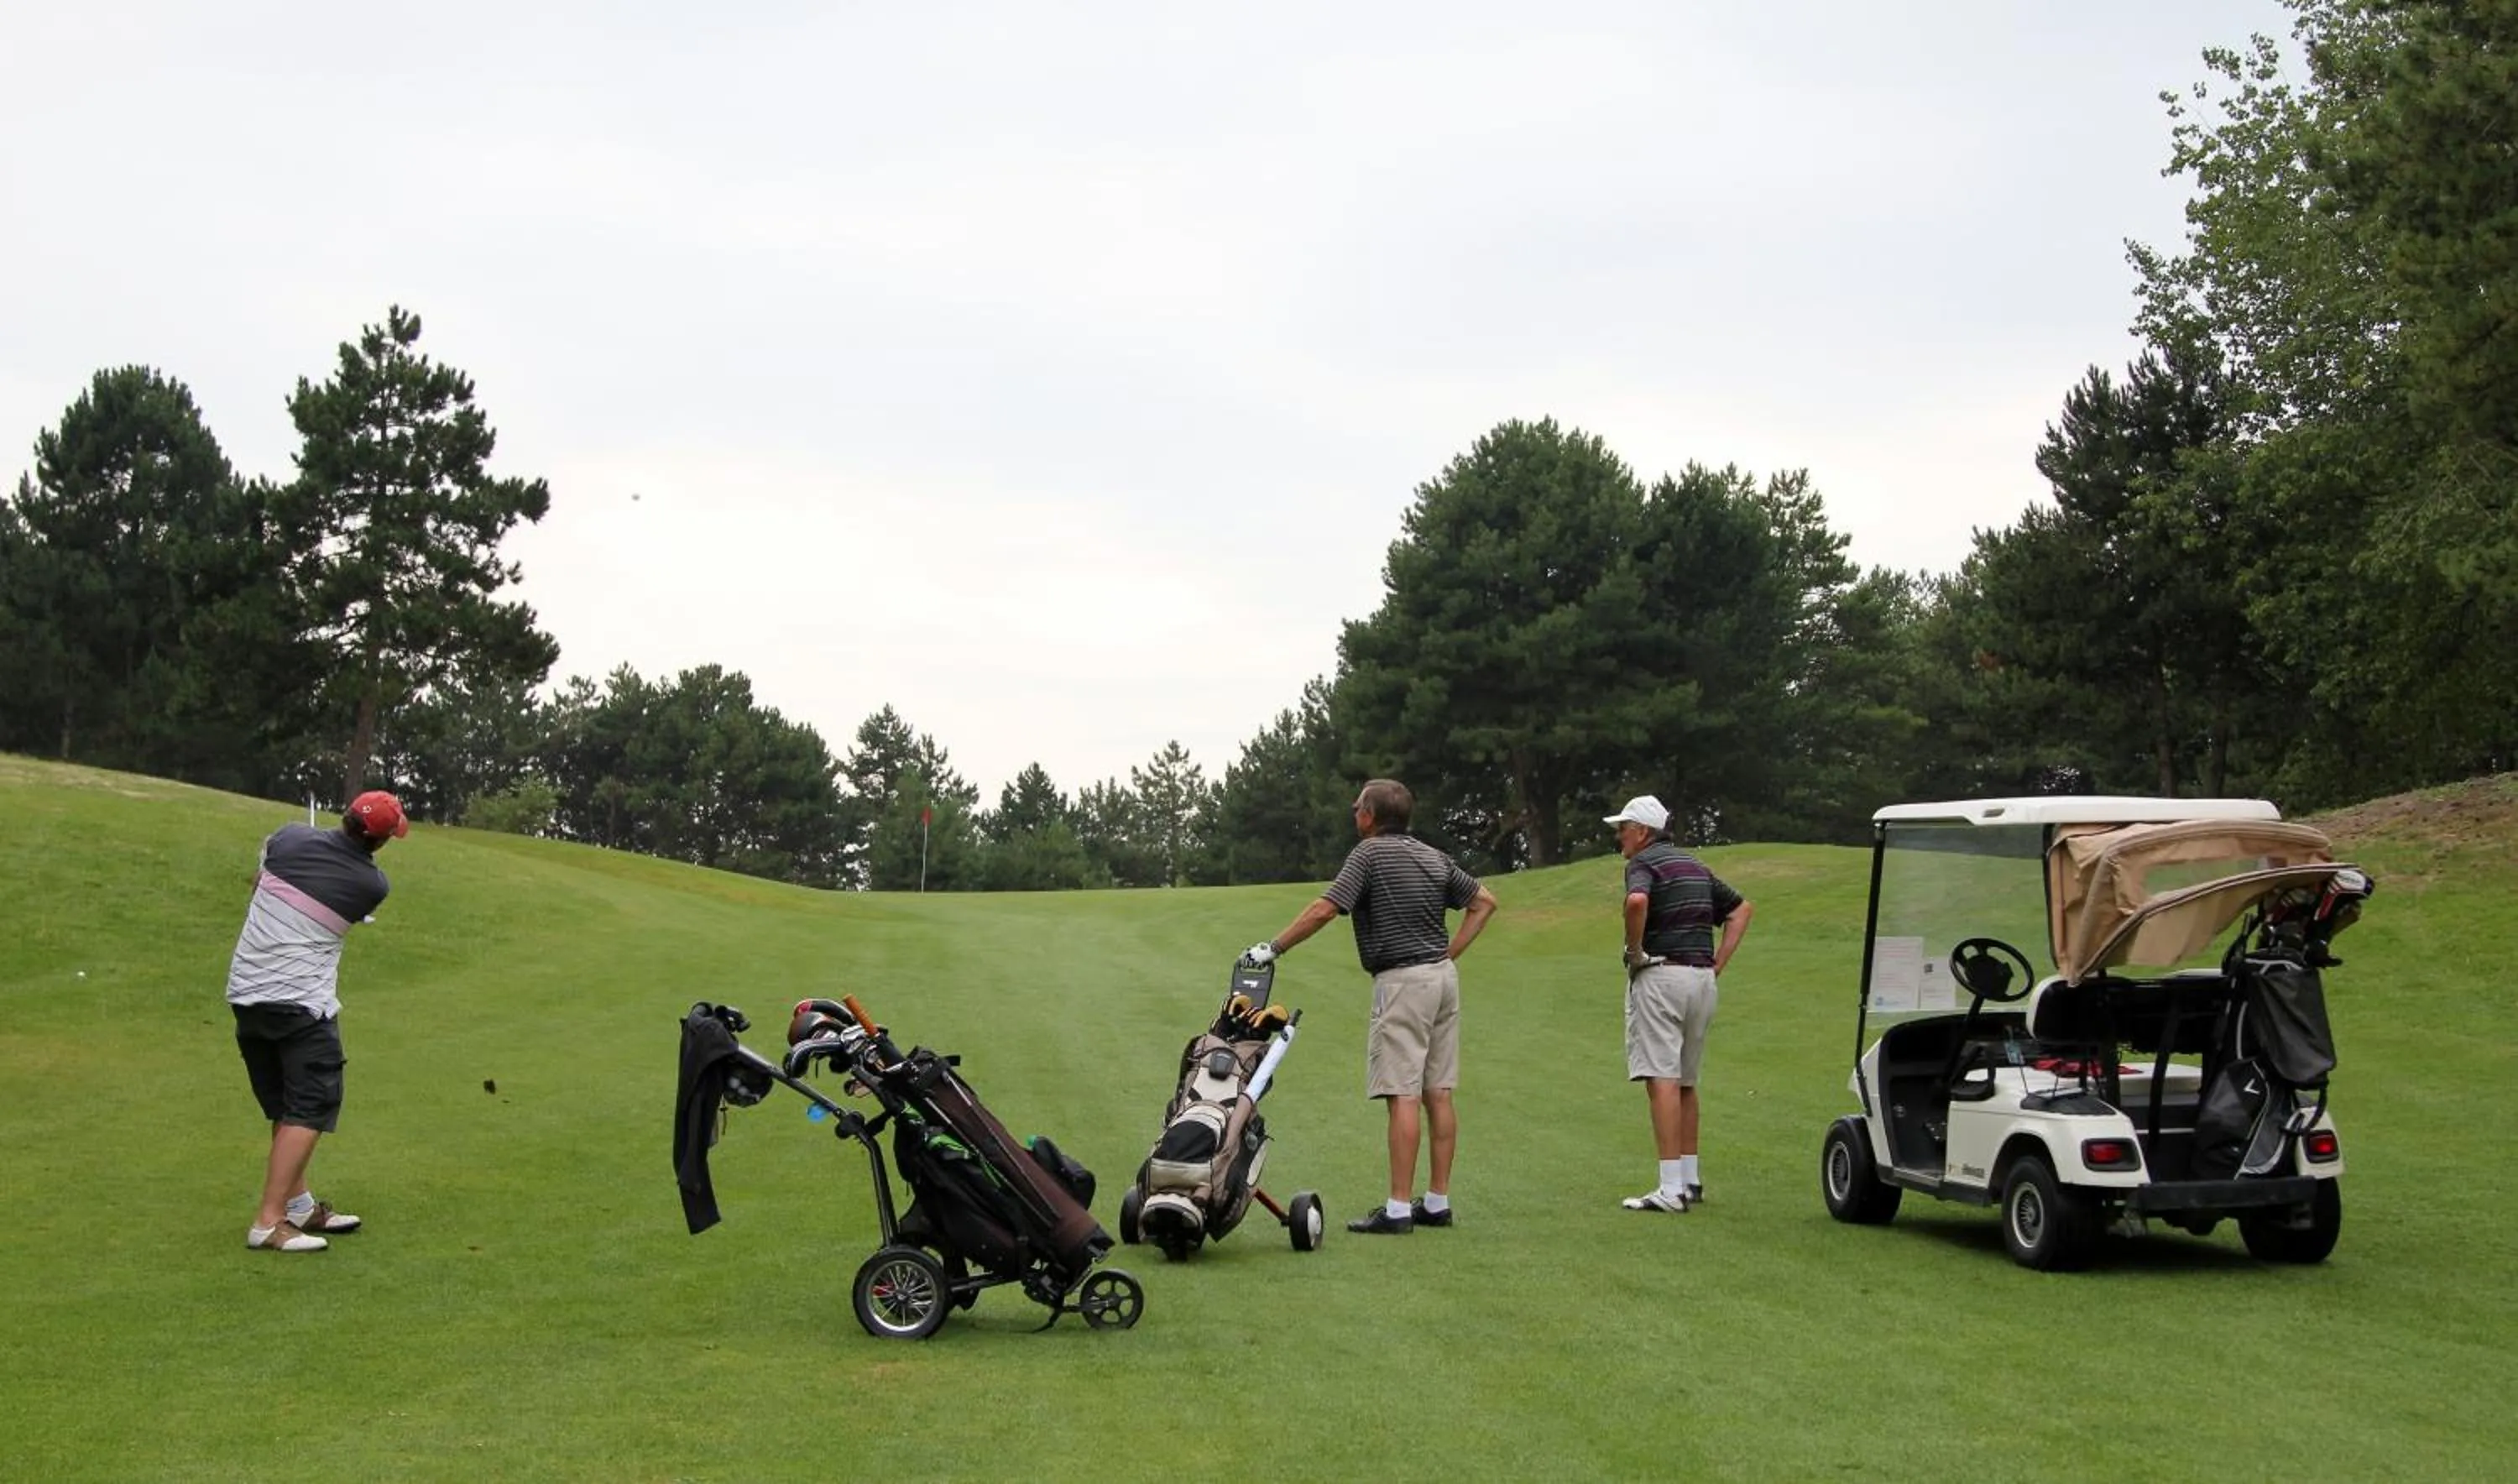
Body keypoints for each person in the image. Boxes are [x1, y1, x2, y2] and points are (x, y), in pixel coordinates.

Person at [1243, 778, 1497, 1235]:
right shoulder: (1431, 855)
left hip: (1402, 982)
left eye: (1358, 807)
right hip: (1442, 981)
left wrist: (1274, 948)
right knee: (1438, 1091)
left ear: (1370, 816)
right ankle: (1437, 1202)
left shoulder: (1368, 855)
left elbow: (1326, 909)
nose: (1354, 812)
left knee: (1402, 1091)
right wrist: (1450, 953)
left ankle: (1399, 1209)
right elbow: (1483, 902)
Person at [225, 791, 409, 1252]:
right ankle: (269, 1222)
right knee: (311, 1105)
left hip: (247, 996)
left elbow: (262, 870)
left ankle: (299, 1205)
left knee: (288, 1105)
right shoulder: (371, 884)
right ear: (381, 841)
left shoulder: (288, 838)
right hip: (300, 1005)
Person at [1606, 794, 1752, 1214]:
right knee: (1686, 1080)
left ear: (1643, 832)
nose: (1620, 837)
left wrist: (1635, 951)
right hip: (1701, 980)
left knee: (1662, 1079)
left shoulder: (1644, 863)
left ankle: (1670, 1189)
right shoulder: (1693, 865)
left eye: (1624, 828)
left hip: (1662, 975)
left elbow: (1636, 902)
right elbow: (1741, 910)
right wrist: (1717, 963)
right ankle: (1688, 1178)